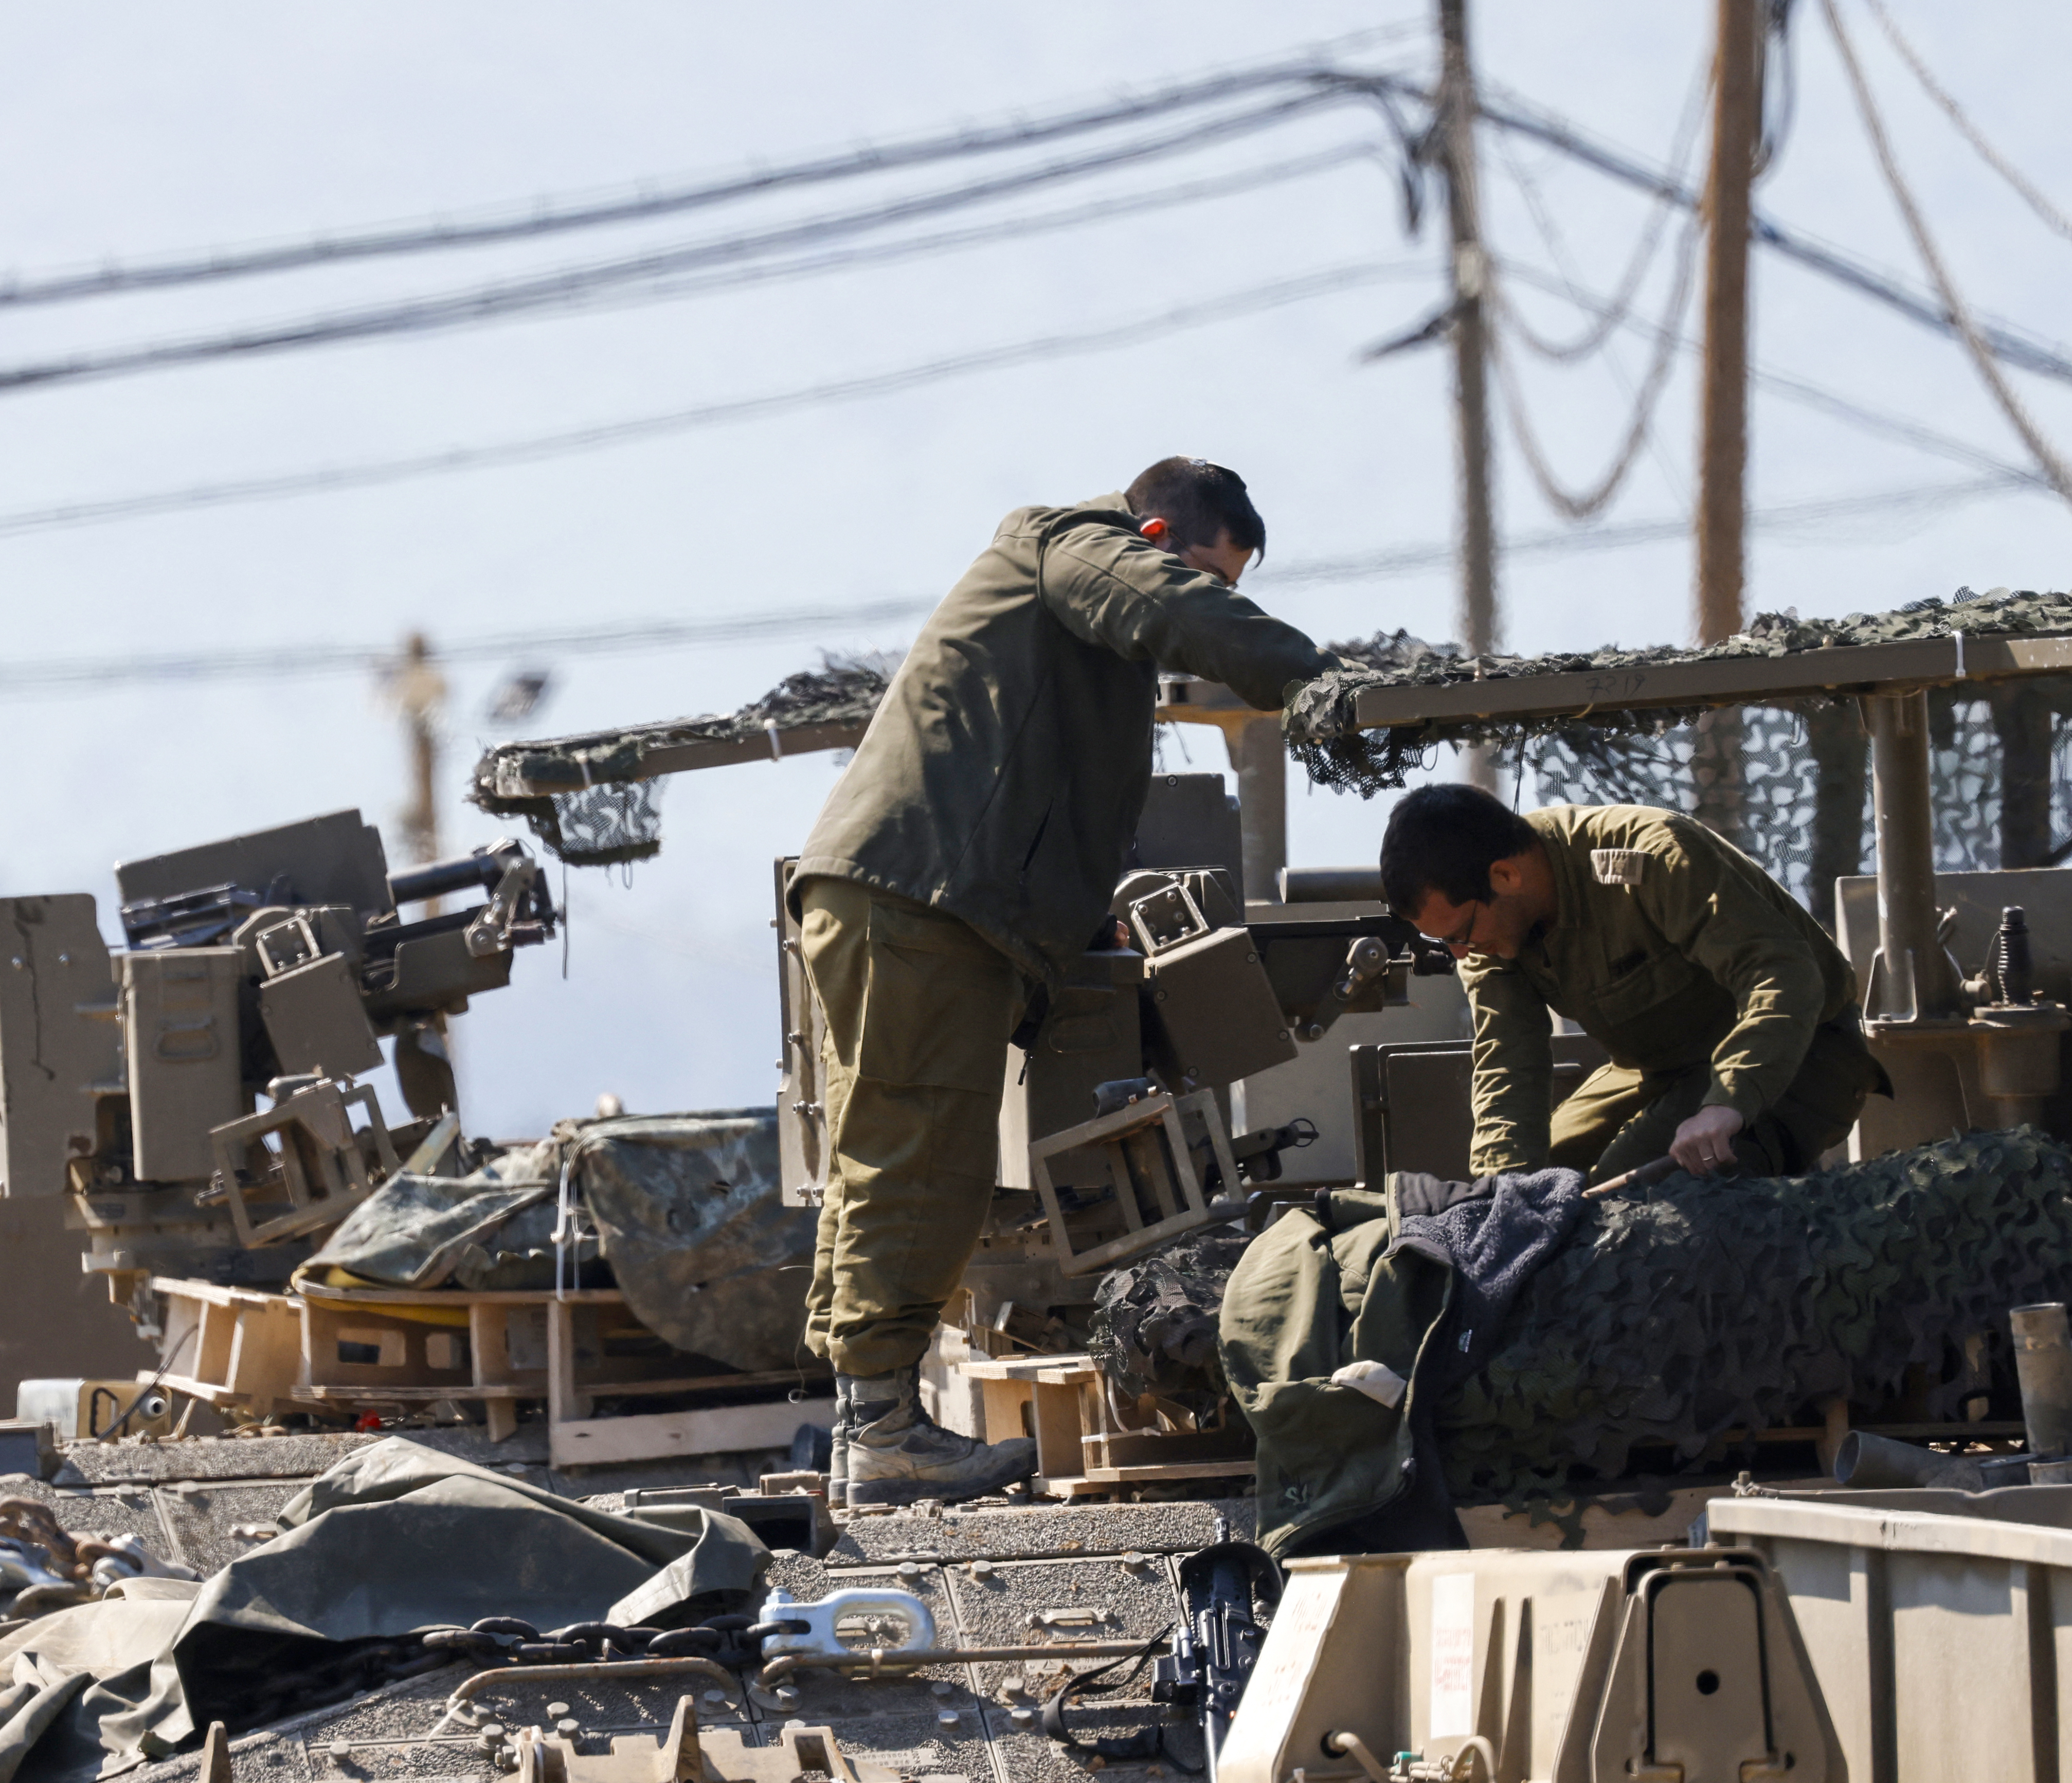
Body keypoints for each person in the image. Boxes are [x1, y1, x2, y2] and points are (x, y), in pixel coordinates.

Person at [789, 459, 1335, 1504]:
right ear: (1161, 531)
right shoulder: (1069, 543)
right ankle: (885, 1433)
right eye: (1210, 579)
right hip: (924, 901)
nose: (1209, 606)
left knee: (887, 1150)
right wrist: (1304, 674)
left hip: (916, 895)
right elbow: (1156, 598)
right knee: (922, 1153)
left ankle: (871, 1416)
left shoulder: (1064, 596)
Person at [1378, 783, 1882, 1185]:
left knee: (1626, 1192)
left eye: (1461, 936)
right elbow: (1508, 1063)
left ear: (1505, 876)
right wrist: (1502, 1198)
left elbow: (1785, 977)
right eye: (1448, 944)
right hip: (1658, 1073)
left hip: (1802, 1054)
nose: (1461, 955)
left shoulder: (1652, 858)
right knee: (1536, 1184)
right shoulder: (1489, 932)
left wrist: (1728, 1102)